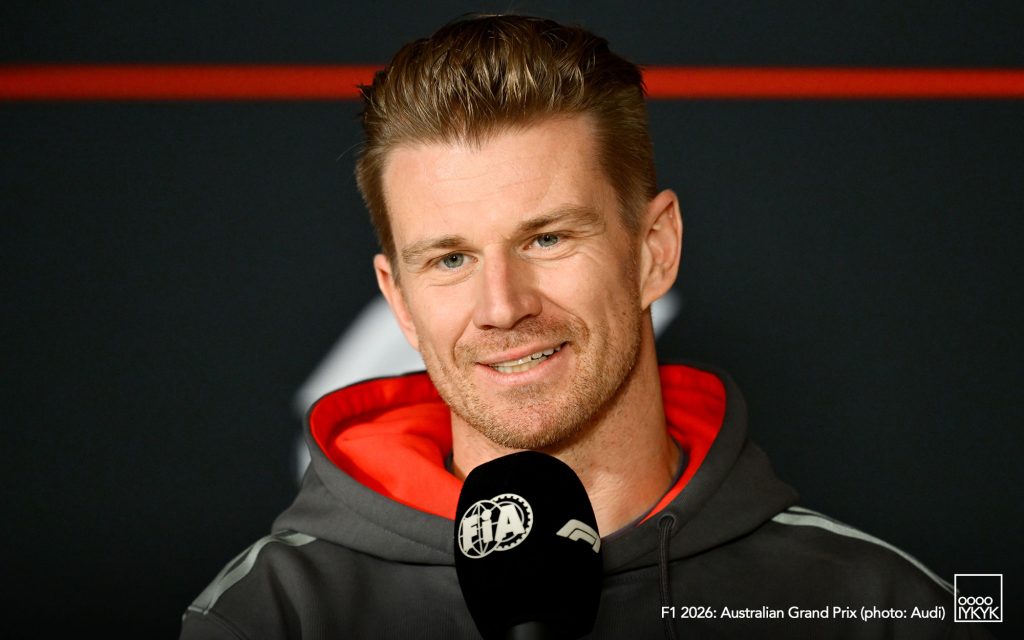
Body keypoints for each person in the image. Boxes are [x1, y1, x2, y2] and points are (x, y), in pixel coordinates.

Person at [180, 14, 992, 640]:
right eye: (451, 259)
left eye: (547, 238)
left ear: (654, 250)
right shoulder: (270, 616)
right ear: (399, 300)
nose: (504, 306)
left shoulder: (879, 607)